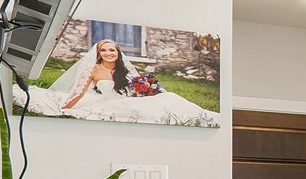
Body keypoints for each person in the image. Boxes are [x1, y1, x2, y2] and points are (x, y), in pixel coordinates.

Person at [23, 38, 214, 125]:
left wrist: (151, 91)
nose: (108, 53)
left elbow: (139, 86)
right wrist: (64, 108)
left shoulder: (126, 68)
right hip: (111, 104)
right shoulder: (92, 69)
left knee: (170, 97)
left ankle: (200, 115)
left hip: (132, 99)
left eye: (112, 50)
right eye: (104, 50)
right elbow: (79, 92)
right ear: (98, 53)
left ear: (118, 52)